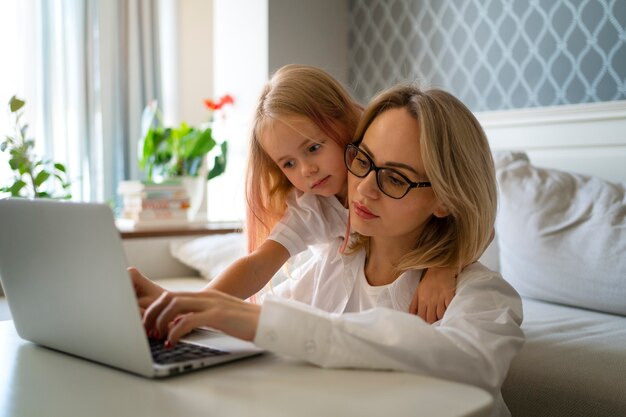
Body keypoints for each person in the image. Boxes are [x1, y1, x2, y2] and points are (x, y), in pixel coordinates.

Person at [141, 85, 525, 417]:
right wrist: (179, 306)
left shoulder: (481, 296)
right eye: (362, 160)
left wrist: (259, 321)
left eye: (394, 177)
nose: (363, 189)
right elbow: (265, 329)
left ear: (444, 200)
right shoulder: (330, 265)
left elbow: (471, 362)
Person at [133, 64, 457, 322]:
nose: (307, 171)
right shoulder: (315, 205)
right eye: (288, 163)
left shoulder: (401, 178)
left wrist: (445, 266)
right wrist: (189, 304)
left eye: (314, 147)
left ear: (344, 123)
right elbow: (258, 264)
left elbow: (470, 216)